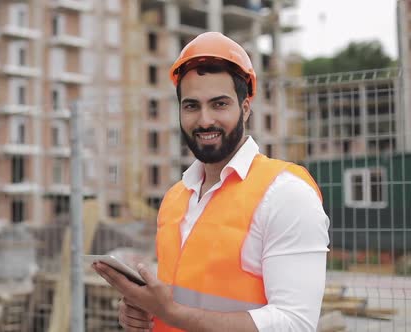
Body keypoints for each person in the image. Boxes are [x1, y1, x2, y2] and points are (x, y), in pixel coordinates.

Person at [92, 31, 330, 332]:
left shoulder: (286, 194)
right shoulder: (175, 198)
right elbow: (187, 298)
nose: (204, 120)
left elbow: (294, 324)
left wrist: (173, 313)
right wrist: (147, 314)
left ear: (245, 108)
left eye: (219, 104)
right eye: (191, 106)